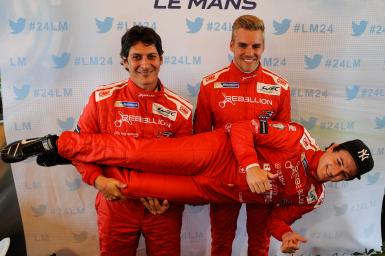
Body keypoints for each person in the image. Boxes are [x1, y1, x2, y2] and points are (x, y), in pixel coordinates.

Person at [0, 119, 375, 254]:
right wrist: (250, 164)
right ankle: (56, 143)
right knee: (139, 152)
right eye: (339, 161)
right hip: (212, 155)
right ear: (333, 147)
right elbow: (242, 127)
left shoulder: (315, 196)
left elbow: (277, 220)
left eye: (345, 174)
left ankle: (74, 157)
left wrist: (286, 235)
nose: (336, 172)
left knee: (129, 185)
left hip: (210, 191)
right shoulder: (297, 137)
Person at [36, 25, 193, 256]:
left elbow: (187, 164)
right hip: (116, 206)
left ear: (161, 59)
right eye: (136, 57)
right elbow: (80, 148)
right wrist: (98, 180)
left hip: (163, 210)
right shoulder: (102, 99)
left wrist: (168, 196)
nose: (145, 65)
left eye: (151, 56)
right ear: (124, 61)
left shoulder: (182, 110)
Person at [193, 15, 291, 255]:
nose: (250, 52)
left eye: (256, 46)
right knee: (221, 242)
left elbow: (283, 141)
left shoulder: (280, 87)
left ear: (263, 46)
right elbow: (200, 138)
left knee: (259, 243)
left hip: (262, 178)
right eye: (243, 45)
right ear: (231, 45)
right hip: (223, 179)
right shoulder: (210, 85)